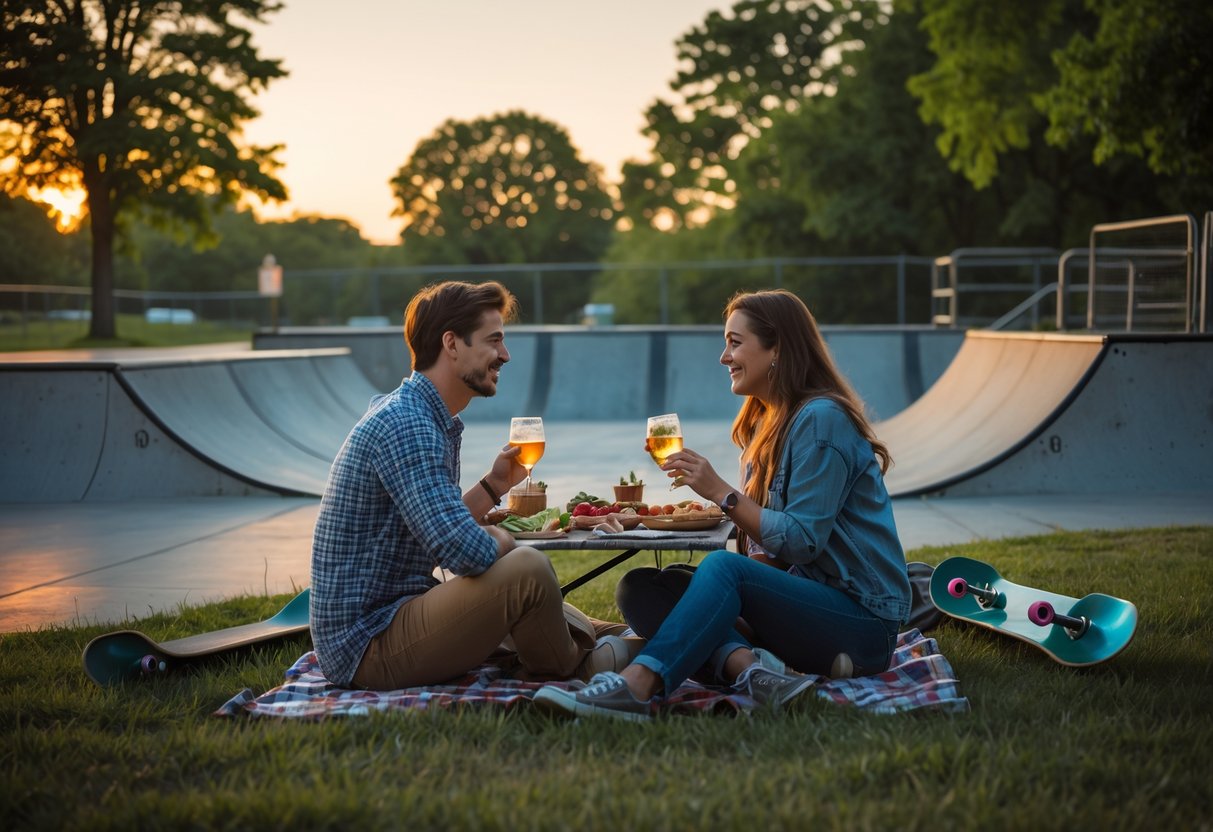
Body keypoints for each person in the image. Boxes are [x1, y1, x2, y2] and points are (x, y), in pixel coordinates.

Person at [534, 289, 911, 720]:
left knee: (722, 571)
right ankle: (754, 673)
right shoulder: (765, 424)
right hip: (806, 606)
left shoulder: (821, 419)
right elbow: (766, 556)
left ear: (777, 350)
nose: (723, 357)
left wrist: (720, 493)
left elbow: (802, 542)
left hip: (860, 624)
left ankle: (637, 689)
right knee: (644, 586)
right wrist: (693, 518)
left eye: (735, 342)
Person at [310, 280, 633, 690]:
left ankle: (613, 639)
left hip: (397, 615)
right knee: (527, 569)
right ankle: (577, 668)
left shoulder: (416, 414)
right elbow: (464, 551)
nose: (505, 354)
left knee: (533, 591)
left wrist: (494, 485)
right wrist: (502, 536)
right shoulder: (408, 426)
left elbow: (435, 526)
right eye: (494, 340)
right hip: (367, 646)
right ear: (452, 344)